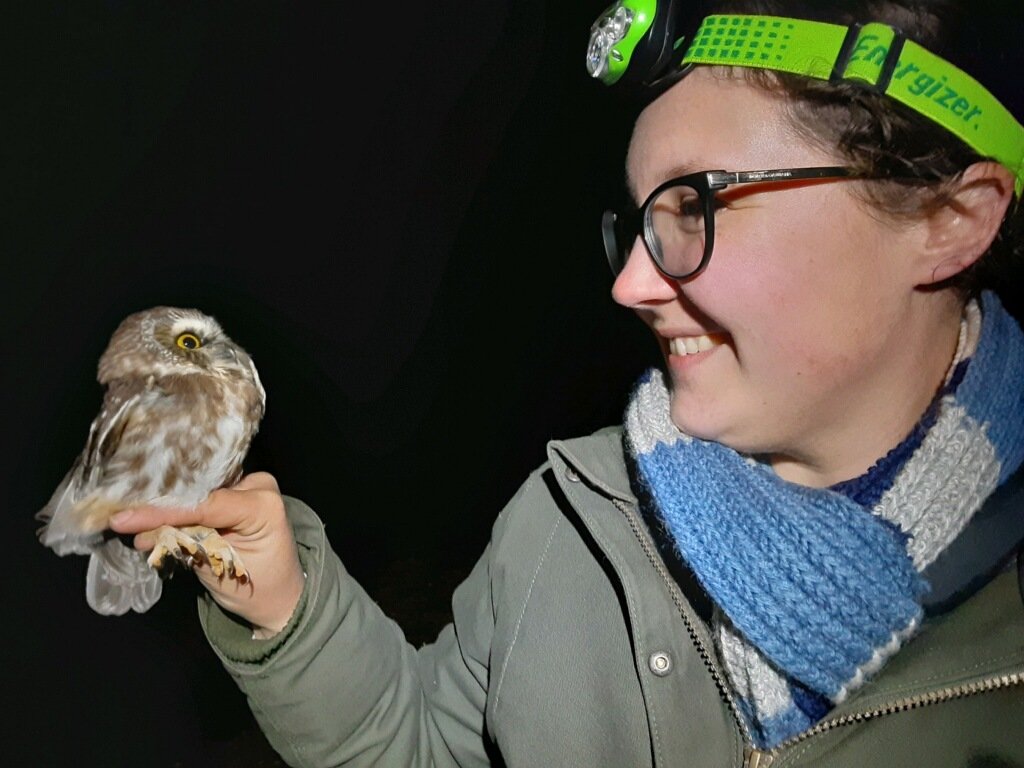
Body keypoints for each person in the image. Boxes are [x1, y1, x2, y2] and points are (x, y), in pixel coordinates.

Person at [110, 0, 1024, 764]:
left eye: (694, 204)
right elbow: (421, 745)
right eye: (638, 220)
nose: (629, 282)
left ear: (950, 221)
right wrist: (290, 613)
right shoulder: (571, 516)